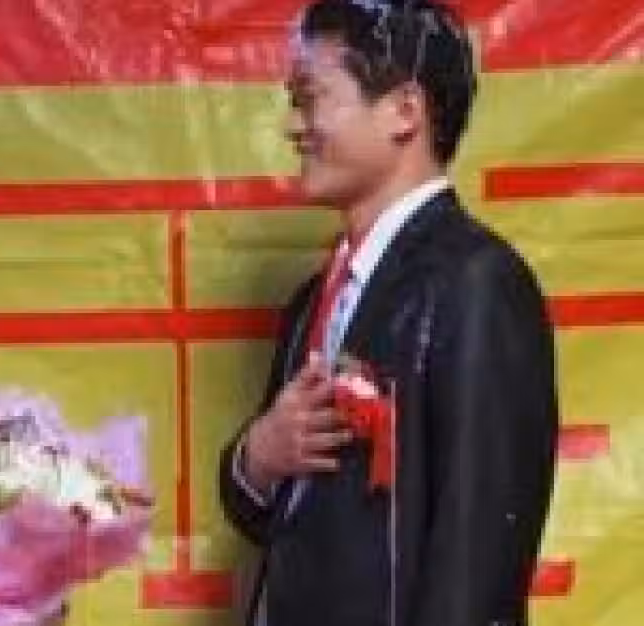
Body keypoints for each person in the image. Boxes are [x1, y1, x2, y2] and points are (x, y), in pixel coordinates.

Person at [218, 1, 559, 625]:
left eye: (311, 98)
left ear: (405, 110)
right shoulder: (311, 302)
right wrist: (257, 458)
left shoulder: (477, 283)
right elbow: (267, 516)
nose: (294, 127)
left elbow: (477, 563)